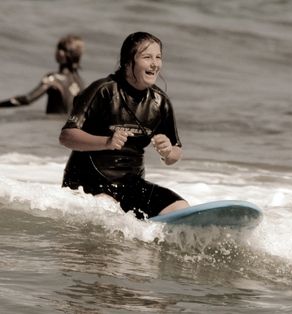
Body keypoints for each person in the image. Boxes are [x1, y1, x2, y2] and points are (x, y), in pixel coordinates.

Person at [59, 31, 189, 219]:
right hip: (86, 182)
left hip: (131, 185)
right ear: (128, 63)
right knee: (108, 211)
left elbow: (175, 153)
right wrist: (107, 142)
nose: (155, 63)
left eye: (158, 57)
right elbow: (67, 136)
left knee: (180, 208)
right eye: (147, 57)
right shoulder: (103, 91)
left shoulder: (160, 102)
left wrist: (168, 151)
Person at [0, 34, 85, 114]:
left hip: (52, 126)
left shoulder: (53, 78)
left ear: (62, 53)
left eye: (59, 48)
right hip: (68, 126)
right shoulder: (80, 82)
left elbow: (27, 99)